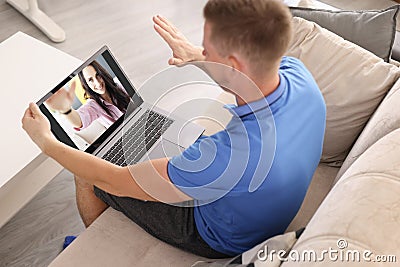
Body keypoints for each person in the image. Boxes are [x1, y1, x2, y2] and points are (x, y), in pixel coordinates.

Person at [22, 0, 326, 259]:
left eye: (207, 49)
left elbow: (113, 179)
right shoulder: (300, 76)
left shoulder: (228, 155)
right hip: (261, 204)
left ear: (234, 62)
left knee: (88, 174)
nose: (202, 52)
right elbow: (242, 76)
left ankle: (96, 250)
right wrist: (197, 56)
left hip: (219, 235)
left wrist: (47, 142)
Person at [46, 60, 130, 130]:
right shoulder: (93, 106)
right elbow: (79, 121)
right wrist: (65, 110)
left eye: (98, 76)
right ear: (86, 85)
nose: (97, 83)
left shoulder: (120, 85)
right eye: (90, 80)